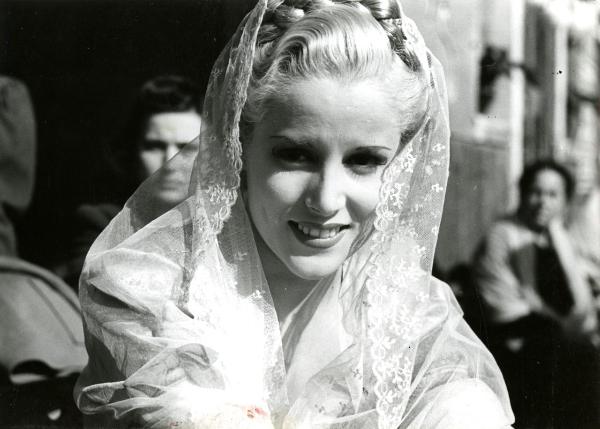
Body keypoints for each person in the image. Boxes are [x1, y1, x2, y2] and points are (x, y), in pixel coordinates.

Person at [75, 1, 514, 428]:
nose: (326, 200)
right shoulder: (145, 292)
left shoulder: (416, 321)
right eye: (296, 155)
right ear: (240, 147)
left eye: (364, 161)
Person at [473, 159, 600, 428]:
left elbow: (582, 302)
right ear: (522, 194)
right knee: (583, 360)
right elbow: (503, 307)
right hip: (513, 339)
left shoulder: (557, 236)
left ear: (565, 201)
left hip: (554, 334)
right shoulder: (503, 233)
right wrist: (566, 328)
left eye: (553, 195)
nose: (543, 202)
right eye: (535, 192)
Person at [54, 75, 203, 288]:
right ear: (132, 152)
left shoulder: (228, 225)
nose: (170, 161)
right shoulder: (99, 223)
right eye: (154, 146)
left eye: (185, 148)